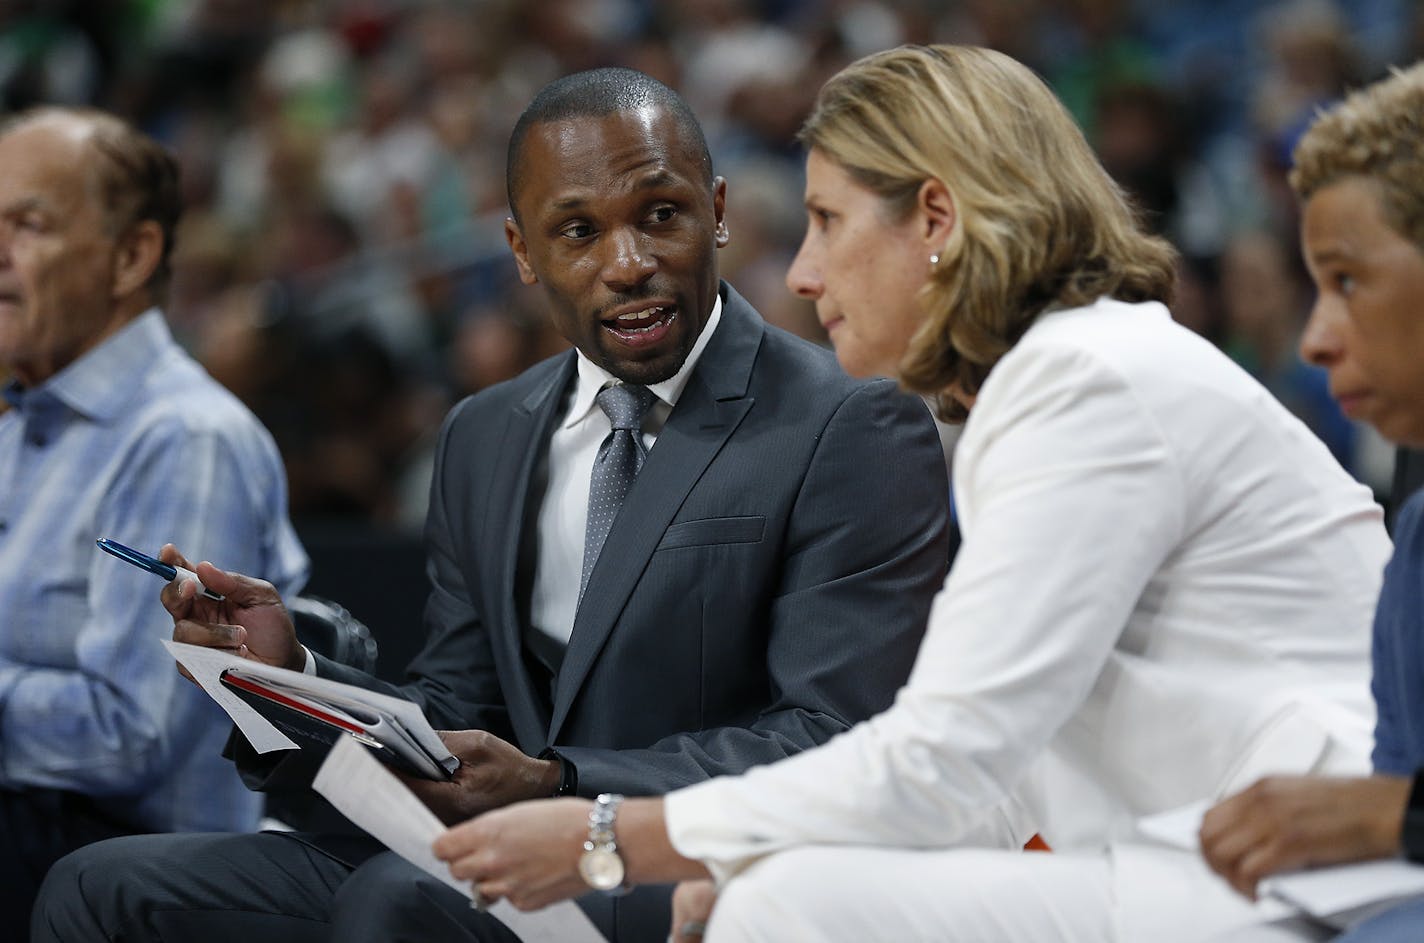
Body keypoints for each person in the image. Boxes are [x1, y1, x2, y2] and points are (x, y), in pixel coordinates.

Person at [425, 44, 1391, 942]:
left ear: (934, 219)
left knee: (786, 904)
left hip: (1319, 869)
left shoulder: (1086, 384)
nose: (801, 272)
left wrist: (614, 834)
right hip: (1205, 849)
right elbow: (1005, 758)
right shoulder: (1050, 384)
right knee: (780, 885)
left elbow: (942, 759)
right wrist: (763, 848)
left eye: (828, 221)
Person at [31, 68, 951, 943]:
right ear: (521, 251)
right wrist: (293, 676)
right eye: (578, 231)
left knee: (410, 900)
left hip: (692, 861)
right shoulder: (484, 434)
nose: (627, 263)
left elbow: (835, 736)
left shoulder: (850, 423)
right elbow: (454, 710)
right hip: (481, 858)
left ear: (717, 213)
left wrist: (559, 783)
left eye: (660, 215)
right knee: (104, 887)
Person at [0, 107, 308, 938]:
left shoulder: (185, 437)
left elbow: (131, 735)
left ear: (132, 255)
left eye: (28, 225)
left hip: (126, 874)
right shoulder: (17, 424)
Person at [1199, 60, 1424, 942]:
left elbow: (1396, 808)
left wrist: (1388, 816)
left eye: (1349, 280)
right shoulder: (1413, 520)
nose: (1316, 338)